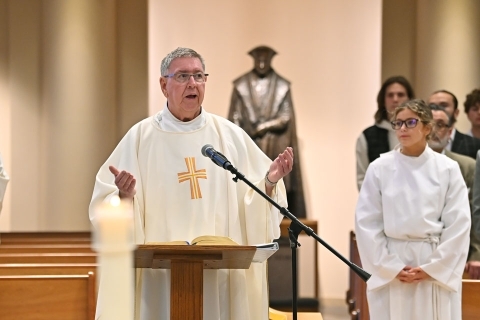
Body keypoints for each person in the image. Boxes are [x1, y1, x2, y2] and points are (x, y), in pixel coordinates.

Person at [89, 47, 293, 320]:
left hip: (220, 273)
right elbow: (106, 207)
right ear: (164, 85)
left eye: (199, 76)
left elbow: (255, 197)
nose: (193, 83)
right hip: (159, 277)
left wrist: (270, 181)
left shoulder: (229, 136)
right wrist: (125, 197)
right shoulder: (140, 138)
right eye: (183, 76)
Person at [355, 99, 471, 319]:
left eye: (410, 122)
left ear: (427, 127)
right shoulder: (379, 168)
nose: (403, 129)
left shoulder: (447, 169)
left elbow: (459, 223)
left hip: (433, 262)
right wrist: (390, 266)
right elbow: (367, 223)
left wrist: (434, 268)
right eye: (398, 123)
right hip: (393, 263)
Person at [228, 45, 306, 218]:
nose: (262, 62)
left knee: (276, 180)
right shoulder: (241, 85)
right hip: (248, 142)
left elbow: (286, 117)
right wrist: (243, 135)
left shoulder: (282, 86)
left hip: (274, 143)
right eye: (259, 59)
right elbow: (234, 117)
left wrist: (264, 127)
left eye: (265, 59)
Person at [428, 103, 480, 279]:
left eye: (441, 125)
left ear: (450, 132)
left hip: (459, 255)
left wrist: (476, 254)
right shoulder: (402, 166)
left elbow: (476, 213)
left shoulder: (467, 166)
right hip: (418, 251)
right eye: (429, 124)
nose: (434, 130)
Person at [355, 76, 414, 190]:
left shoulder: (419, 132)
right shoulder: (367, 136)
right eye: (390, 95)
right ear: (383, 100)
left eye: (400, 95)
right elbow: (362, 178)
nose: (395, 99)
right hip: (380, 203)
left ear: (409, 99)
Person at [428, 89, 480, 159]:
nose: (437, 109)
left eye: (443, 105)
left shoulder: (474, 144)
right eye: (432, 106)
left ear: (456, 112)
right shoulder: (416, 142)